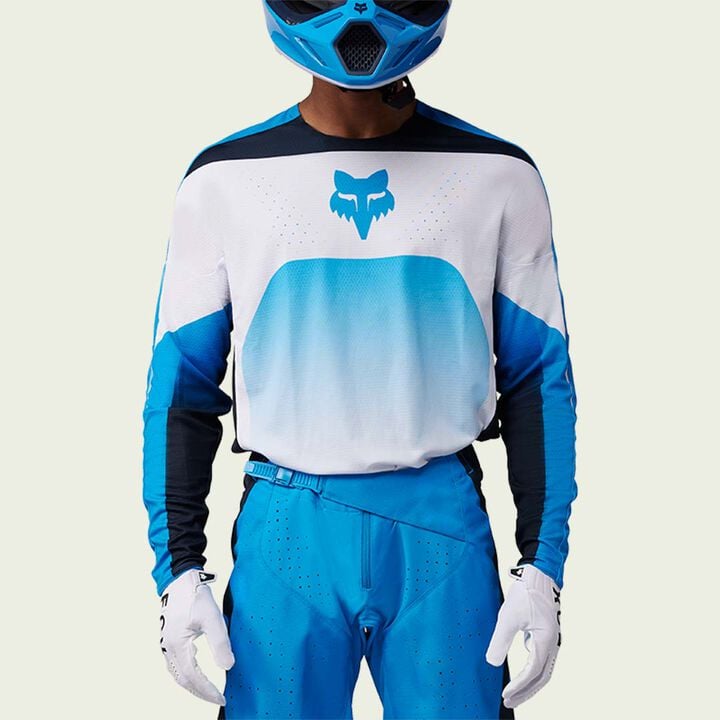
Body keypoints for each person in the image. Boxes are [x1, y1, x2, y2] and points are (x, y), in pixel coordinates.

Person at [141, 2, 578, 718]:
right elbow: (180, 390)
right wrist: (178, 570)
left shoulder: (498, 175)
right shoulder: (223, 180)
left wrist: (544, 567)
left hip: (437, 525)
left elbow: (540, 383)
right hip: (290, 530)